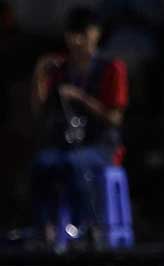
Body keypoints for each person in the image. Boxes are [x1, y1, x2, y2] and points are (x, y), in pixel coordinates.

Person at [30, 6, 128, 247]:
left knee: (74, 165)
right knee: (42, 163)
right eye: (72, 35)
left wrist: (80, 98)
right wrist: (39, 74)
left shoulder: (111, 68)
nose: (76, 41)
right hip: (68, 143)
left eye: (82, 34)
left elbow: (115, 118)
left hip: (101, 146)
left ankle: (87, 227)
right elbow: (39, 111)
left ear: (95, 34)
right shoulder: (60, 69)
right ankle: (46, 229)